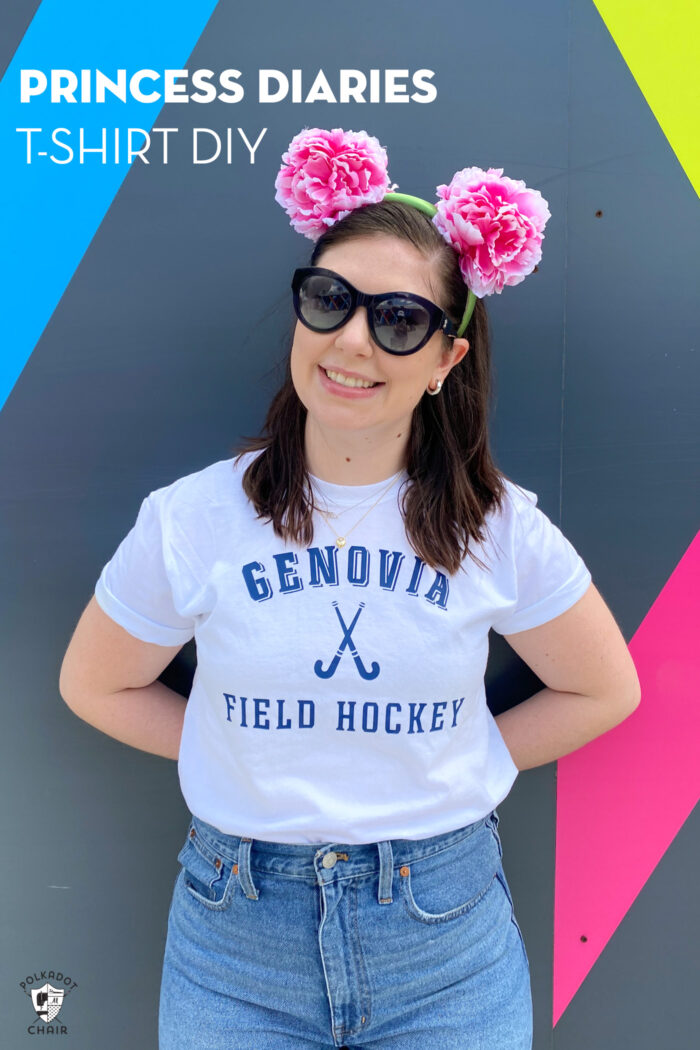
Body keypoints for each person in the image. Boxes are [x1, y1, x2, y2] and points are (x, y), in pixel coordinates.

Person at [58, 128, 641, 1050]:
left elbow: (603, 689)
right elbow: (96, 684)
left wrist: (455, 765)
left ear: (446, 359)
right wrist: (237, 753)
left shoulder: (500, 526)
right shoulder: (192, 517)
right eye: (330, 301)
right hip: (232, 942)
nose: (353, 341)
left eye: (399, 317)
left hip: (445, 946)